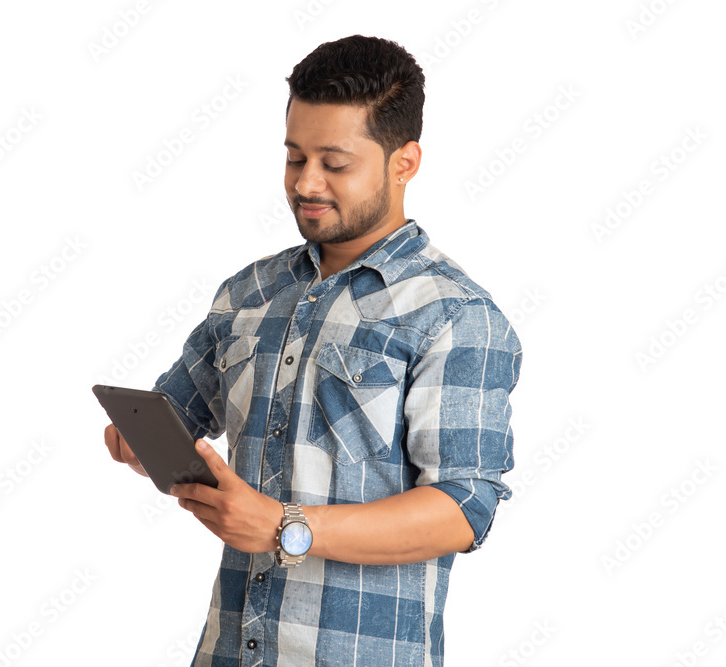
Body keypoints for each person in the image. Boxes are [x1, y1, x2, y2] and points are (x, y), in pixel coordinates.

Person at [105, 34, 522, 666]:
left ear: (404, 162)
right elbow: (175, 419)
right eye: (295, 157)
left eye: (335, 163)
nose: (306, 182)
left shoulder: (455, 315)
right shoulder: (250, 292)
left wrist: (284, 527)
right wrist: (138, 444)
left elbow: (465, 508)